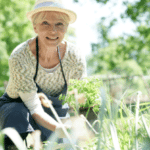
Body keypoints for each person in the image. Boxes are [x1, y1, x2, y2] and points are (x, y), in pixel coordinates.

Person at [0, 0, 86, 149]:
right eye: (45, 23)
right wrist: (60, 129)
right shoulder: (20, 56)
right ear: (35, 27)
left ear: (66, 27)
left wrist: (75, 124)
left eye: (59, 24)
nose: (53, 30)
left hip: (53, 110)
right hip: (18, 107)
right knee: (17, 113)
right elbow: (34, 107)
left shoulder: (75, 56)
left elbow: (78, 101)